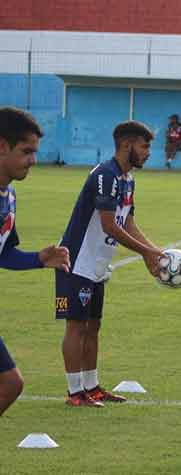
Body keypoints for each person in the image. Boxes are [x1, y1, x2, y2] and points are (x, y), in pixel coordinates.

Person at [56, 120, 165, 407]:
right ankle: (74, 392)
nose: (148, 152)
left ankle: (91, 387)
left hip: (98, 265)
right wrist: (145, 253)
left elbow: (127, 221)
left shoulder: (127, 179)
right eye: (144, 146)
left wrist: (154, 252)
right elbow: (109, 226)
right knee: (76, 326)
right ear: (127, 145)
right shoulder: (106, 175)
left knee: (93, 326)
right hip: (77, 261)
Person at [0, 107, 70, 416]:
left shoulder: (9, 196)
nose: (33, 160)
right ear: (2, 146)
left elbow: (4, 253)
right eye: (27, 151)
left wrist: (39, 260)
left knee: (10, 385)